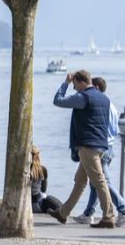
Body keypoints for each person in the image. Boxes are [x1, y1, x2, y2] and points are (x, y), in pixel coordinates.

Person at [47, 70, 116, 229]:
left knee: (99, 181)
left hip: (88, 146)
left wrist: (65, 83)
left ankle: (109, 216)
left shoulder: (83, 97)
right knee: (80, 180)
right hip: (100, 145)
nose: (75, 89)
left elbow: (58, 100)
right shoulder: (104, 99)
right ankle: (63, 213)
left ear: (80, 81)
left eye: (75, 85)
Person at [72, 78, 125, 227]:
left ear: (97, 87)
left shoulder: (100, 106)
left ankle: (124, 211)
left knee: (103, 182)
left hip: (100, 147)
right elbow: (115, 130)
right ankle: (89, 213)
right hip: (108, 146)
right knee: (96, 182)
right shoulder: (109, 105)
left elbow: (100, 129)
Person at [30, 146, 61, 213]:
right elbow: (43, 189)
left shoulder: (23, 170)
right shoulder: (42, 169)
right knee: (49, 198)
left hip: (26, 205)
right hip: (38, 204)